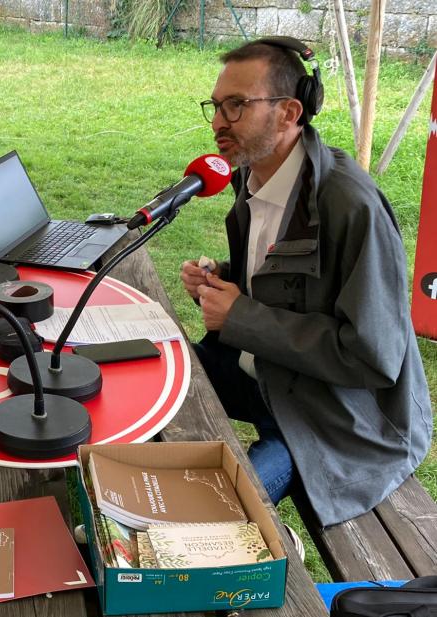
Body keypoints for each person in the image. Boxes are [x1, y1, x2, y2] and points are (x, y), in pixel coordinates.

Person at [181, 37, 432, 528]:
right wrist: (224, 284)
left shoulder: (349, 205)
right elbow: (290, 287)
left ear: (288, 112)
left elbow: (373, 355)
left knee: (218, 510)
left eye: (236, 106)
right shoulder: (251, 176)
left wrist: (242, 317)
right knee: (151, 380)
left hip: (335, 418)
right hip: (265, 375)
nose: (217, 123)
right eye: (216, 105)